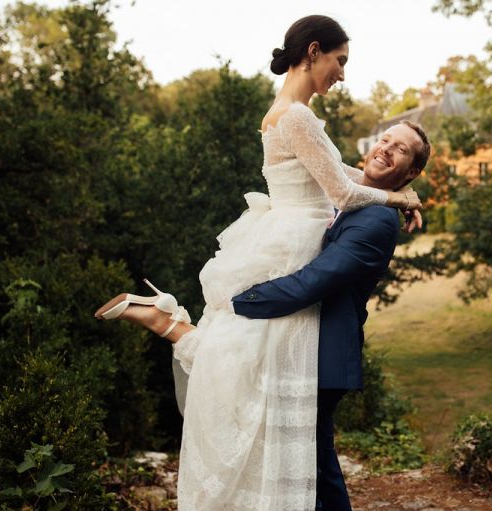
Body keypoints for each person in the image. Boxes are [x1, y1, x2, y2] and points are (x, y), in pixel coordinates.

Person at [94, 15, 423, 511]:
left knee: (242, 363)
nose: (342, 73)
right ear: (314, 52)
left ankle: (166, 322)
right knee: (248, 367)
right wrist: (400, 200)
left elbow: (338, 173)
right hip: (295, 238)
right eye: (340, 61)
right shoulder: (297, 116)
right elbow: (339, 190)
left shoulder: (289, 112)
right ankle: (167, 323)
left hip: (287, 230)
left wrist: (401, 192)